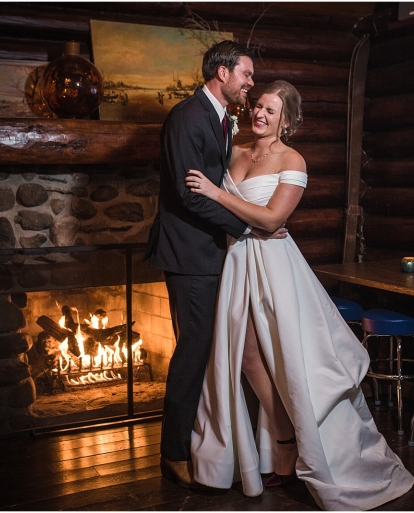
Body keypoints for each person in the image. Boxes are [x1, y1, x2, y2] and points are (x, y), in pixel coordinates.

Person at [185, 80, 414, 510]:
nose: (260, 115)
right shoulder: (232, 150)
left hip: (275, 267)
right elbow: (218, 211)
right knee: (247, 355)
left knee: (288, 357)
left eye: (271, 111)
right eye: (258, 107)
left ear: (286, 121)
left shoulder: (293, 160)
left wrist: (219, 194)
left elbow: (273, 221)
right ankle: (285, 434)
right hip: (236, 263)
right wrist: (228, 210)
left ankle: (294, 444)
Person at [144, 40, 285, 489]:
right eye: (245, 74)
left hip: (212, 252)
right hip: (189, 255)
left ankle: (220, 442)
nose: (250, 82)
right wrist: (247, 228)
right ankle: (172, 453)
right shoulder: (188, 117)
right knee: (194, 348)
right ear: (222, 73)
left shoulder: (222, 119)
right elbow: (189, 194)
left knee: (219, 347)